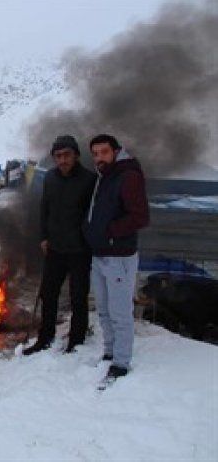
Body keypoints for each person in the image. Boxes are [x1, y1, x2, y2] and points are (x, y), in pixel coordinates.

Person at [83, 134, 149, 382]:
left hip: (118, 257)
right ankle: (110, 352)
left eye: (104, 152)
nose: (99, 158)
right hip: (100, 255)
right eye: (96, 154)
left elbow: (140, 217)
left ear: (116, 151)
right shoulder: (105, 177)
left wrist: (110, 232)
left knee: (120, 312)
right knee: (103, 310)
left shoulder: (127, 176)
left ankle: (121, 362)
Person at [23, 135, 96, 356]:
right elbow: (45, 209)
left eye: (67, 155)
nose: (62, 160)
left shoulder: (89, 179)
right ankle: (45, 337)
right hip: (55, 247)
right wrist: (44, 237)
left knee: (77, 296)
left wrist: (88, 241)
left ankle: (76, 340)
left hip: (79, 249)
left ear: (76, 156)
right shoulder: (51, 178)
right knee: (48, 293)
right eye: (58, 156)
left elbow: (93, 215)